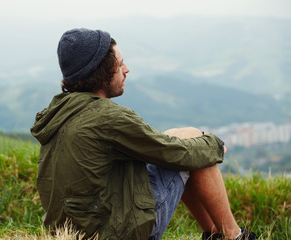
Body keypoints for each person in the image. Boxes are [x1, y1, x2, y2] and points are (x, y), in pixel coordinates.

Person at [30, 28, 258, 240]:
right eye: (119, 65)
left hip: (72, 228)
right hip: (112, 232)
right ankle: (232, 235)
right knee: (197, 147)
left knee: (183, 136)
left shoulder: (60, 111)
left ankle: (214, 233)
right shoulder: (107, 117)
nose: (126, 69)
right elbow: (176, 154)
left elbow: (162, 146)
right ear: (101, 72)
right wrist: (214, 145)